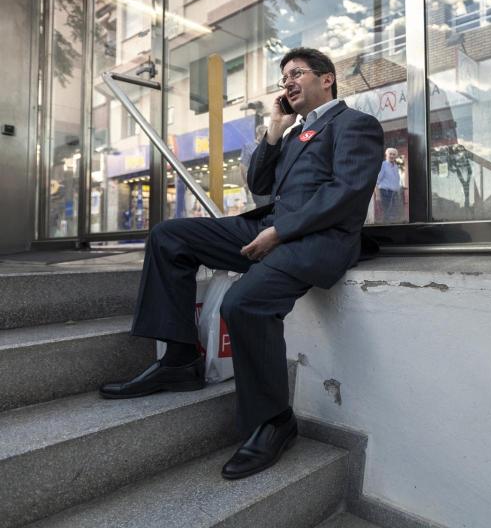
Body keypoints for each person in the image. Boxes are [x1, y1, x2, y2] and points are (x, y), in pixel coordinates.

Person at [99, 47, 384, 480]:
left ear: (327, 79)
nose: (287, 82)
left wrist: (282, 232)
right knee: (168, 235)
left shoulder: (355, 124)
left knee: (244, 303)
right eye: (284, 76)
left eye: (297, 73)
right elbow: (259, 184)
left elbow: (347, 193)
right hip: (268, 227)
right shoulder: (293, 133)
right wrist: (275, 128)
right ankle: (179, 360)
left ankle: (274, 421)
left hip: (315, 239)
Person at [240, 124, 272, 208]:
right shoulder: (249, 148)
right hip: (258, 185)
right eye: (266, 134)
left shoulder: (269, 146)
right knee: (264, 208)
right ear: (258, 135)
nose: (268, 137)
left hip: (272, 184)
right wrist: (246, 183)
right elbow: (243, 167)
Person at [376, 147, 401, 221]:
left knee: (394, 213)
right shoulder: (383, 165)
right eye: (390, 154)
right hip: (385, 192)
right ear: (386, 155)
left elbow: (396, 180)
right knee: (388, 213)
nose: (392, 156)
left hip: (394, 193)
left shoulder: (396, 167)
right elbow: (377, 181)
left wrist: (398, 191)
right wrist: (377, 195)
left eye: (394, 154)